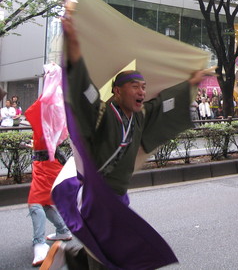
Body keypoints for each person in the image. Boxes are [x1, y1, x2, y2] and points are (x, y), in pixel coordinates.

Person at [42, 13, 211, 269]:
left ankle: (68, 257)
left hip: (117, 196)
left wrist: (191, 84)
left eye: (143, 87)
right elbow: (82, 88)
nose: (142, 91)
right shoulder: (102, 114)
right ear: (117, 91)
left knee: (111, 251)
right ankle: (68, 257)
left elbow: (164, 105)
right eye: (134, 86)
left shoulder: (140, 117)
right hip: (93, 194)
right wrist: (73, 42)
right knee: (115, 252)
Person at [24, 91, 72, 267]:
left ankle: (39, 243)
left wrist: (50, 84)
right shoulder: (52, 118)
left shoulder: (46, 117)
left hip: (46, 166)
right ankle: (63, 230)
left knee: (35, 202)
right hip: (48, 164)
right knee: (42, 202)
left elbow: (33, 110)